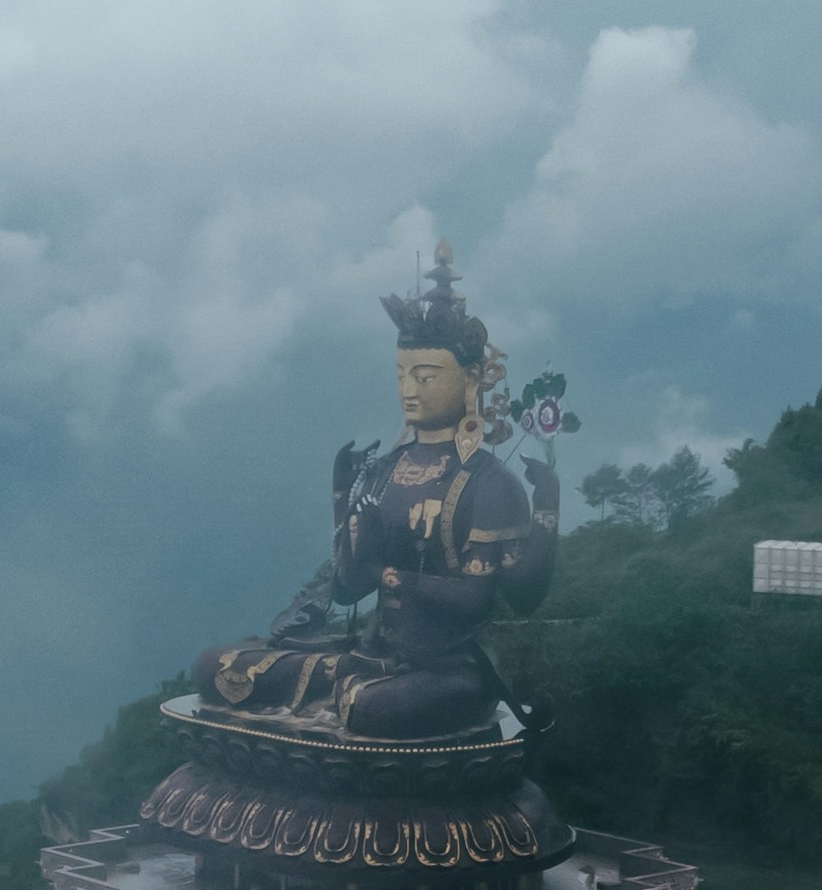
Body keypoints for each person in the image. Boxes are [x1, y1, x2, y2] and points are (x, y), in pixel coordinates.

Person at [192, 247, 559, 741]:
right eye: (402, 374)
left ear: (471, 379)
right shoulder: (384, 469)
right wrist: (342, 496)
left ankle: (340, 709)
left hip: (440, 669)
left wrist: (393, 577)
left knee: (374, 710)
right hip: (363, 657)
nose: (410, 389)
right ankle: (332, 703)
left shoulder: (490, 483)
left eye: (426, 377)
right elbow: (347, 587)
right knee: (217, 667)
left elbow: (479, 600)